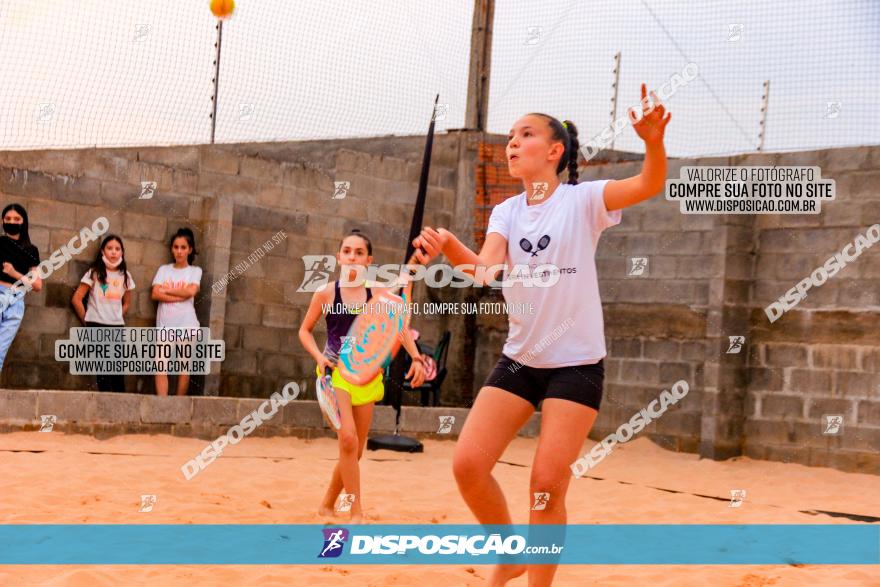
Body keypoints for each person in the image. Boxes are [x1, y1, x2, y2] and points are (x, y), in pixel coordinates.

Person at [413, 85, 671, 586]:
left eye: (525, 134)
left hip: (575, 365)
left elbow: (648, 183)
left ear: (555, 151)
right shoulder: (507, 211)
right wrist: (448, 245)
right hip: (520, 360)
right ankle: (510, 555)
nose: (512, 143)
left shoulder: (584, 200)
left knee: (546, 486)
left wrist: (654, 143)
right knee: (468, 466)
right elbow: (486, 271)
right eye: (509, 136)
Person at [299, 229, 426, 523]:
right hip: (336, 374)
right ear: (338, 256)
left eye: (359, 253)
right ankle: (356, 511)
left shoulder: (377, 294)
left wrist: (417, 356)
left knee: (354, 451)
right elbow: (304, 330)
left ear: (369, 260)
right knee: (347, 440)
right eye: (347, 251)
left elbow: (399, 328)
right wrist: (319, 357)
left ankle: (327, 504)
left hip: (368, 376)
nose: (352, 257)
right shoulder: (326, 293)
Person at [71, 235, 135, 392]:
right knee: (104, 371)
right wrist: (88, 321)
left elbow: (127, 302)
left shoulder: (126, 276)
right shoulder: (94, 272)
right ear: (102, 251)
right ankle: (105, 410)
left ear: (122, 252)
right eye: (109, 248)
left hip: (117, 326)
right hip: (96, 324)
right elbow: (77, 299)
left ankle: (120, 411)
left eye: (117, 249)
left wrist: (118, 315)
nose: (113, 252)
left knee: (118, 371)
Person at [151, 228, 202, 396]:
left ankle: (178, 409)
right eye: (176, 247)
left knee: (183, 368)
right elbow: (155, 293)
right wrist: (179, 297)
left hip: (187, 326)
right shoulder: (164, 270)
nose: (179, 251)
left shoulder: (195, 271)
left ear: (190, 249)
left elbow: (191, 292)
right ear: (172, 249)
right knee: (160, 367)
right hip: (165, 326)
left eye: (183, 247)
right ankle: (163, 406)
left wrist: (167, 291)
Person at [0, 203, 42, 372]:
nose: (12, 221)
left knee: (0, 351)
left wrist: (14, 273)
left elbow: (37, 285)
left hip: (17, 301)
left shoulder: (31, 250)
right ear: (2, 221)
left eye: (16, 219)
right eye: (8, 218)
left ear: (24, 222)